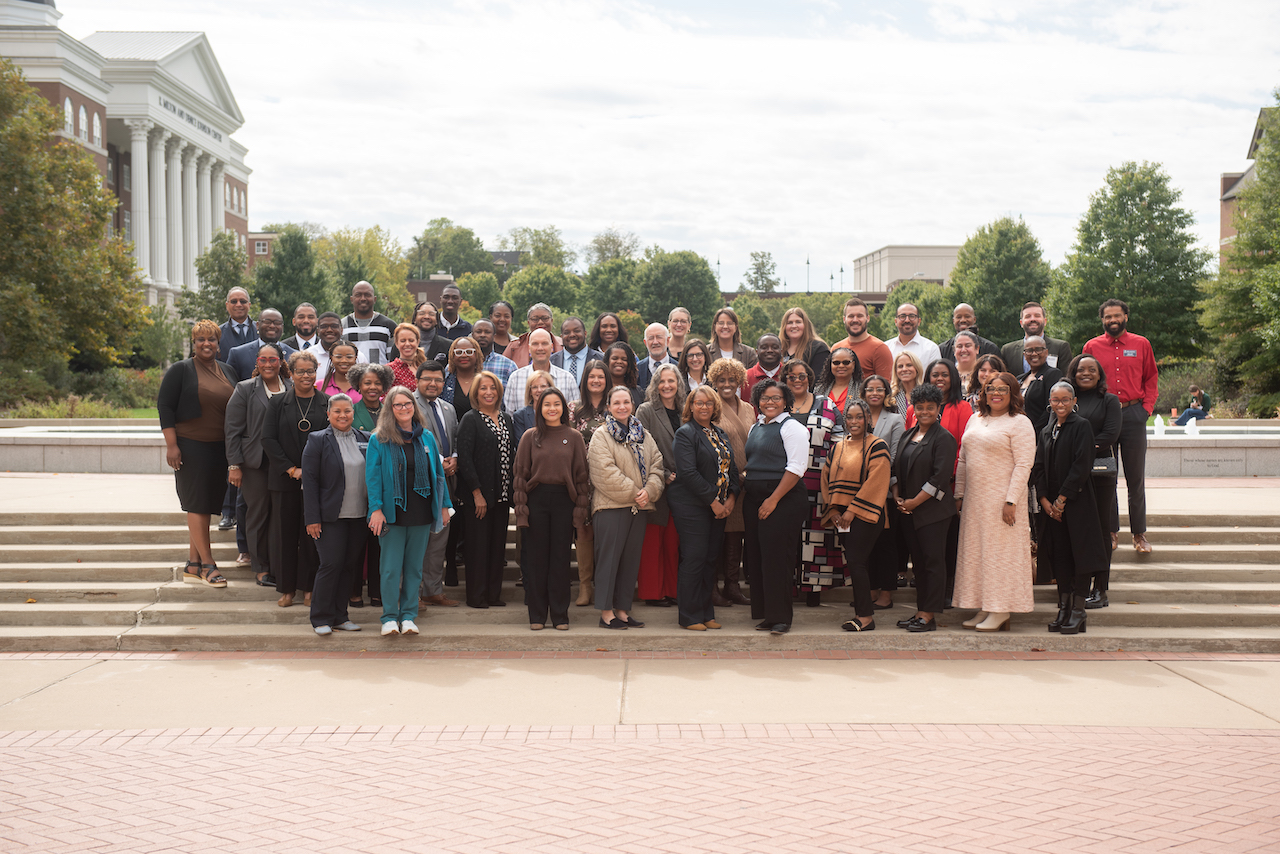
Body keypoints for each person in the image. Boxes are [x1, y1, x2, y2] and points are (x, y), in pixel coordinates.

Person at [953, 372, 1037, 632]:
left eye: (1002, 389)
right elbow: (964, 459)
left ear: (1013, 393)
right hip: (975, 501)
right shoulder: (975, 419)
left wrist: (1011, 500)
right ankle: (985, 605)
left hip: (1003, 500)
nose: (996, 393)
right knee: (979, 554)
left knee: (1001, 556)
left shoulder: (1020, 423)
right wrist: (959, 493)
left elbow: (1024, 465)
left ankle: (1001, 609)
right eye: (991, 388)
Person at [365, 385, 452, 636]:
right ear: (390, 409)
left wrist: (445, 505)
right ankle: (390, 617)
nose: (404, 409)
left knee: (414, 568)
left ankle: (409, 616)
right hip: (392, 512)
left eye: (408, 404)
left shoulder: (425, 437)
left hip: (422, 510)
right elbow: (372, 479)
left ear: (414, 407)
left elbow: (438, 475)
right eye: (398, 405)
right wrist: (376, 509)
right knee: (391, 568)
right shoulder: (378, 438)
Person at [158, 320, 237, 588]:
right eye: (201, 339)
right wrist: (172, 445)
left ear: (219, 342)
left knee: (205, 505)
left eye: (211, 339)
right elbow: (165, 406)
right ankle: (208, 565)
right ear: (194, 343)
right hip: (191, 445)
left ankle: (192, 564)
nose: (206, 344)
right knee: (197, 503)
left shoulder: (226, 370)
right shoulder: (181, 370)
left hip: (219, 447)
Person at [1033, 381, 1108, 635]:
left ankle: (1078, 610)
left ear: (1074, 401)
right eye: (1056, 400)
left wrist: (1062, 500)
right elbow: (1039, 467)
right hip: (1051, 509)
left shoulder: (1082, 426)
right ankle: (1063, 608)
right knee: (1060, 557)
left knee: (1080, 557)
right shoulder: (1047, 430)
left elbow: (1081, 466)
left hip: (1076, 504)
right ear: (1050, 403)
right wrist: (1044, 500)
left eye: (1065, 400)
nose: (1060, 404)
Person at [514, 388, 591, 631]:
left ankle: (560, 615)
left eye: (556, 404)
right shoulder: (529, 436)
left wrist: (580, 510)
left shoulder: (574, 436)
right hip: (536, 500)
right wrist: (522, 511)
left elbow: (581, 477)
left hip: (563, 501)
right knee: (536, 560)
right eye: (546, 404)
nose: (551, 408)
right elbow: (520, 476)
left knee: (559, 560)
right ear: (539, 408)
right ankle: (537, 615)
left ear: (563, 408)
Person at [1084, 299, 1158, 554]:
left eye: (1117, 315)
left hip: (1133, 414)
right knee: (1106, 476)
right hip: (1104, 418)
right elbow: (1084, 380)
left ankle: (1139, 534)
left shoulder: (1141, 344)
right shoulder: (1091, 346)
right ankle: (1110, 532)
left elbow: (1151, 378)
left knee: (1135, 478)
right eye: (1108, 317)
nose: (1113, 320)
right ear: (1102, 319)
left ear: (1126, 316)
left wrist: (1145, 409)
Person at [588, 386, 665, 629]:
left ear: (633, 404)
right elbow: (604, 472)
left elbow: (657, 465)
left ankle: (622, 610)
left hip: (638, 508)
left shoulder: (644, 434)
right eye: (616, 402)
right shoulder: (601, 435)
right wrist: (636, 493)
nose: (622, 406)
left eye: (626, 402)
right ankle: (606, 612)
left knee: (629, 561)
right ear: (608, 407)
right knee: (608, 561)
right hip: (611, 507)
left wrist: (649, 491)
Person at [669, 385, 740, 630]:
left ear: (715, 407)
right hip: (692, 506)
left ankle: (706, 613)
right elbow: (688, 473)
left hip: (719, 507)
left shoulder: (720, 433)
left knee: (710, 560)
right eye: (698, 403)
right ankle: (690, 616)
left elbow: (731, 469)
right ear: (690, 406)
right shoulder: (685, 433)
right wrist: (714, 502)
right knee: (695, 559)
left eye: (709, 403)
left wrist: (731, 498)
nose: (704, 407)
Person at [262, 350, 328, 608]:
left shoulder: (326, 402)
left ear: (316, 371)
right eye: (300, 371)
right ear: (291, 373)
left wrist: (312, 472)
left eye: (310, 371)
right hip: (285, 481)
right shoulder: (278, 403)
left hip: (317, 481)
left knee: (312, 536)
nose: (306, 376)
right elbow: (268, 439)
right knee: (286, 535)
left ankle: (309, 588)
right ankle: (287, 589)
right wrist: (291, 468)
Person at [743, 379, 809, 635]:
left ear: (786, 402)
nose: (770, 402)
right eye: (765, 398)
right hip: (755, 498)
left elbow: (796, 468)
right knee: (758, 556)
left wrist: (773, 499)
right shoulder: (756, 427)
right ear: (757, 400)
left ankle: (781, 618)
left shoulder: (792, 427)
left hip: (783, 498)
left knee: (778, 558)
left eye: (776, 398)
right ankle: (766, 614)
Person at [224, 343, 292, 587]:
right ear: (257, 362)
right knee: (258, 514)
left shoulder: (291, 387)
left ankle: (279, 565)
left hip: (285, 464)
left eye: (272, 360)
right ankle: (261, 567)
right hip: (255, 463)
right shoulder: (245, 389)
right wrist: (234, 465)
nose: (267, 364)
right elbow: (232, 430)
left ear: (281, 361)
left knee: (280, 516)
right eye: (262, 359)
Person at [822, 398, 892, 632]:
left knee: (856, 561)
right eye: (849, 417)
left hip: (865, 513)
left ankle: (865, 617)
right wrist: (833, 509)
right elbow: (826, 477)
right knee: (856, 562)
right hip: (841, 516)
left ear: (868, 419)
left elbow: (877, 481)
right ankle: (863, 611)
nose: (854, 421)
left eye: (859, 417)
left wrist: (852, 511)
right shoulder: (839, 446)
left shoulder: (877, 445)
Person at [301, 394, 369, 636]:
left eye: (347, 411)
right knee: (331, 564)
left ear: (354, 412)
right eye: (337, 411)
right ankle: (321, 617)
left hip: (359, 516)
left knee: (349, 566)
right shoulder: (317, 440)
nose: (343, 415)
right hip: (330, 517)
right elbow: (309, 482)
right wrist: (312, 518)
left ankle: (341, 616)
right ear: (328, 414)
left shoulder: (366, 439)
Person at [893, 383, 958, 633]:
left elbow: (940, 478)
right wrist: (899, 497)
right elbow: (897, 468)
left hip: (933, 513)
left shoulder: (944, 438)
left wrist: (914, 502)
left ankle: (929, 615)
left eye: (930, 407)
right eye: (920, 407)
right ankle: (919, 611)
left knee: (933, 563)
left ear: (938, 407)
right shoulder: (908, 434)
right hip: (908, 510)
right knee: (918, 564)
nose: (924, 412)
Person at [785, 358, 846, 606]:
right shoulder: (778, 404)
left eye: (802, 376)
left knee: (816, 537)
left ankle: (813, 590)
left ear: (810, 378)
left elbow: (841, 443)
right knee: (788, 536)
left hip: (818, 483)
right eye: (791, 377)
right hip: (784, 485)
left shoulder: (827, 404)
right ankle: (787, 586)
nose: (797, 380)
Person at [455, 371, 515, 608]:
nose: (488, 392)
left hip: (500, 496)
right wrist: (476, 493)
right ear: (475, 393)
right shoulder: (470, 419)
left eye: (492, 388)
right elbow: (465, 459)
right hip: (478, 498)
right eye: (483, 388)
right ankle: (477, 596)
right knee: (478, 548)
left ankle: (493, 594)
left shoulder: (506, 418)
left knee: (496, 547)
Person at [1066, 354, 1122, 609]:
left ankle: (1100, 589)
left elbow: (1110, 434)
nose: (1086, 373)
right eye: (1080, 370)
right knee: (1077, 531)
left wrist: (1081, 451)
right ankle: (1077, 588)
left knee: (1100, 532)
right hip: (1070, 473)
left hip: (1099, 474)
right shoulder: (1068, 401)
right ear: (1073, 373)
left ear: (1100, 374)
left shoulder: (1109, 401)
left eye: (1092, 369)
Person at [635, 363, 687, 607]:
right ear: (655, 385)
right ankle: (653, 593)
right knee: (652, 543)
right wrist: (663, 473)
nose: (667, 386)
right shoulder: (645, 410)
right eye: (662, 381)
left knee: (673, 543)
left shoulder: (687, 409)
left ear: (679, 384)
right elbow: (640, 447)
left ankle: (673, 590)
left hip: (684, 487)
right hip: (656, 483)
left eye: (672, 381)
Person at [413, 360, 461, 608]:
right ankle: (413, 592)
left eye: (438, 380)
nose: (433, 384)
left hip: (445, 484)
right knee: (419, 540)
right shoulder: (408, 405)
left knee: (439, 538)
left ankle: (433, 590)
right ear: (417, 380)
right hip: (418, 483)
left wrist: (454, 459)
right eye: (427, 379)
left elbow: (452, 440)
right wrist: (440, 461)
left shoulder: (448, 408)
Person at [707, 357, 754, 606]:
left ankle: (733, 585)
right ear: (714, 381)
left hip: (747, 481)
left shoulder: (748, 408)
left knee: (737, 535)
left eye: (732, 380)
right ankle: (713, 586)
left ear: (740, 381)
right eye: (721, 380)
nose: (727, 384)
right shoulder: (709, 406)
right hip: (720, 482)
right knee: (717, 535)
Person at [861, 374, 907, 609]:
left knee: (886, 544)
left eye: (880, 389)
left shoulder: (895, 420)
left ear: (887, 393)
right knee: (865, 544)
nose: (875, 393)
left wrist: (889, 486)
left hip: (885, 492)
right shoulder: (857, 416)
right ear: (863, 393)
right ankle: (869, 590)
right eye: (870, 389)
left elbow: (896, 456)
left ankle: (886, 594)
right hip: (859, 491)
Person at [569, 360, 611, 606]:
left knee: (606, 532)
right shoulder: (573, 409)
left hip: (608, 479)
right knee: (583, 529)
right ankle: (585, 587)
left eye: (601, 377)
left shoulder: (616, 406)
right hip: (582, 479)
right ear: (584, 380)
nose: (596, 381)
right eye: (591, 377)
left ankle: (605, 585)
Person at [504, 328, 577, 414]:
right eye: (535, 344)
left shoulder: (567, 379)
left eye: (544, 343)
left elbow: (574, 416)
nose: (540, 348)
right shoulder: (515, 378)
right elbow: (511, 417)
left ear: (552, 347)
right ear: (529, 348)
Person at [831, 298, 894, 380]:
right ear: (844, 319)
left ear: (867, 318)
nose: (855, 320)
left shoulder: (880, 348)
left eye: (859, 316)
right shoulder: (836, 349)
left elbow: (885, 387)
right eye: (851, 316)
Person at [1001, 301, 1073, 373]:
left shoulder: (1061, 347)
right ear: (1021, 323)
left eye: (1037, 316)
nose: (1032, 319)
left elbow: (1066, 378)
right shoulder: (1007, 350)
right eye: (1028, 316)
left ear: (1045, 321)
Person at [226, 308, 296, 382]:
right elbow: (229, 386)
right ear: (257, 325)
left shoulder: (293, 354)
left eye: (277, 322)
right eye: (267, 321)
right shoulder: (238, 354)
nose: (272, 326)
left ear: (282, 327)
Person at [1017, 336, 1064, 437]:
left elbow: (1051, 408)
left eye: (1038, 349)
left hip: (1040, 434)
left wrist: (1033, 431)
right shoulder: (1019, 379)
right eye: (1029, 350)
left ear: (1046, 352)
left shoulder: (1052, 374)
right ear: (1024, 355)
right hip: (1017, 433)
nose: (1034, 353)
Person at [342, 281, 397, 365]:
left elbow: (393, 361)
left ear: (375, 299)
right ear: (351, 299)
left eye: (367, 295)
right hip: (350, 377)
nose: (363, 298)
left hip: (380, 377)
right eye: (358, 295)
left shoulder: (389, 326)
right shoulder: (341, 325)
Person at [504, 303, 563, 369]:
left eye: (545, 318)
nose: (540, 322)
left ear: (551, 321)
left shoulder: (563, 345)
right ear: (529, 322)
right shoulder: (514, 346)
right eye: (535, 319)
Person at [780, 307, 831, 379]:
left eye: (798, 322)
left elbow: (819, 382)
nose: (794, 326)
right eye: (790, 322)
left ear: (806, 325)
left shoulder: (818, 348)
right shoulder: (778, 349)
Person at [550, 316, 602, 386]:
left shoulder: (601, 359)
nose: (572, 335)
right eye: (567, 332)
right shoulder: (551, 361)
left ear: (585, 334)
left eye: (577, 331)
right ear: (561, 337)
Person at [885, 302, 941, 368]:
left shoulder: (931, 349)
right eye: (902, 316)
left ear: (919, 321)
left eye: (912, 316)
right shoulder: (886, 348)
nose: (907, 320)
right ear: (896, 321)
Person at [511, 370, 556, 449]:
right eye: (535, 387)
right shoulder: (520, 416)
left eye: (543, 386)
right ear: (530, 392)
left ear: (550, 388)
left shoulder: (557, 412)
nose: (539, 390)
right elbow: (521, 446)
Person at [442, 336, 481, 420]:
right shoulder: (444, 381)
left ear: (476, 355)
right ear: (452, 355)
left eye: (469, 352)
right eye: (459, 352)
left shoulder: (484, 381)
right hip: (451, 431)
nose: (464, 355)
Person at [814, 345, 861, 416]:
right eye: (836, 363)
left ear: (853, 364)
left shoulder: (861, 389)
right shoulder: (819, 389)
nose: (841, 366)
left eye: (846, 362)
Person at [470, 319, 518, 386]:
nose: (482, 335)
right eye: (478, 332)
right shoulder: (463, 362)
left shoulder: (508, 365)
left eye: (487, 332)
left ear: (494, 336)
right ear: (472, 335)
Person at [349, 363, 393, 432]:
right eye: (367, 383)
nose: (373, 387)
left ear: (383, 387)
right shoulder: (351, 412)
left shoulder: (390, 412)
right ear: (359, 385)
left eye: (378, 383)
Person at [743, 334, 785, 403]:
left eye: (775, 347)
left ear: (781, 351)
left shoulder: (790, 376)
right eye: (764, 347)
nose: (770, 350)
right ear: (756, 352)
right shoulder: (744, 378)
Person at [636, 322, 677, 392]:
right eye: (651, 338)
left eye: (659, 337)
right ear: (645, 343)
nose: (655, 342)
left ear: (667, 341)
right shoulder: (636, 369)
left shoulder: (679, 368)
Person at [603, 341, 644, 408]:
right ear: (607, 361)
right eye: (614, 358)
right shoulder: (600, 389)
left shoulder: (637, 392)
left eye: (624, 359)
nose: (619, 362)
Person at [387, 323, 427, 389]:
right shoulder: (389, 369)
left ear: (417, 342)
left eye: (411, 340)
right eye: (403, 341)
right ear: (397, 344)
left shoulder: (424, 367)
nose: (407, 344)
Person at [220, 287, 256, 352]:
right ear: (227, 305)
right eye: (234, 301)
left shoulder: (261, 330)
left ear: (249, 305)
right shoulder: (218, 333)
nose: (238, 305)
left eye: (243, 301)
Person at [891, 351, 924, 418]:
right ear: (896, 371)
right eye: (900, 366)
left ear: (917, 368)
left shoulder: (926, 393)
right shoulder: (891, 396)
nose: (904, 369)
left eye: (909, 365)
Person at [951, 330, 981, 395]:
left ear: (977, 349)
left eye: (968, 345)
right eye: (959, 346)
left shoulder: (984, 374)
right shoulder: (949, 374)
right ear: (954, 350)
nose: (963, 350)